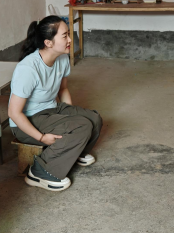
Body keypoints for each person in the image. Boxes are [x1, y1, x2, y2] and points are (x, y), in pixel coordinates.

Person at [8, 15, 103, 192]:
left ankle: (76, 150)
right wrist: (41, 138)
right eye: (65, 36)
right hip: (27, 120)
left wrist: (70, 113)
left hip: (51, 109)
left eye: (69, 34)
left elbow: (63, 90)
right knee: (81, 127)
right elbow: (14, 113)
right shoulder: (28, 68)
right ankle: (40, 171)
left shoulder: (62, 58)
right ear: (48, 43)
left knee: (94, 119)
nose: (70, 40)